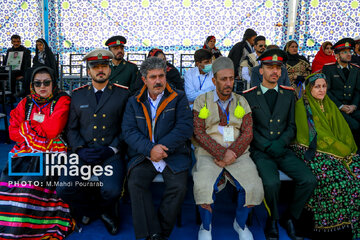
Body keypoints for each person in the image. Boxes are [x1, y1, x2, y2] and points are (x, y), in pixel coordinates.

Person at [243, 49, 317, 240]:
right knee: (271, 183)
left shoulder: (288, 93)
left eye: (278, 67)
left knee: (308, 179)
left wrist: (281, 143)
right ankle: (272, 220)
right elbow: (248, 129)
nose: (274, 71)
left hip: (283, 149)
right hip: (261, 151)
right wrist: (267, 145)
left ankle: (290, 217)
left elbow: (292, 125)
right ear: (261, 71)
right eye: (269, 67)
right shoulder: (249, 96)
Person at [56, 49, 130, 235]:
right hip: (84, 153)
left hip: (109, 154)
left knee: (112, 190)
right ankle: (94, 210)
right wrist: (79, 149)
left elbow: (126, 127)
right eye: (95, 67)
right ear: (88, 71)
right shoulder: (78, 95)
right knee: (64, 188)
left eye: (104, 66)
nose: (100, 70)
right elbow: (71, 129)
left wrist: (112, 149)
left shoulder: (122, 94)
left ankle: (105, 211)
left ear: (110, 69)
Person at [192, 57, 264, 240]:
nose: (228, 83)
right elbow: (198, 132)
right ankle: (205, 227)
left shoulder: (242, 101)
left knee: (253, 186)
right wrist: (222, 153)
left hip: (238, 152)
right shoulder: (202, 101)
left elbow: (248, 132)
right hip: (208, 152)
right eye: (223, 79)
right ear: (214, 80)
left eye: (231, 78)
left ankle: (239, 224)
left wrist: (232, 152)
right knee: (203, 185)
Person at [122, 57, 193, 240]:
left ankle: (160, 233)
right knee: (135, 182)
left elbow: (184, 128)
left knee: (178, 187)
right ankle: (151, 233)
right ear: (144, 79)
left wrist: (161, 149)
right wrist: (150, 149)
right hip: (143, 155)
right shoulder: (134, 101)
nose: (158, 81)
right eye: (153, 77)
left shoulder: (178, 97)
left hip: (173, 154)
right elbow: (128, 131)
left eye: (161, 76)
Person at [0, 66, 73, 239]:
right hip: (25, 152)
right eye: (38, 83)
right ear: (32, 85)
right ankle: (9, 225)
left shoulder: (62, 100)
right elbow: (12, 132)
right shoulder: (26, 102)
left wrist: (28, 125)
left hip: (53, 154)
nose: (42, 86)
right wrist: (41, 126)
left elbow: (54, 130)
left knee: (28, 184)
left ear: (53, 84)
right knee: (6, 181)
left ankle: (23, 229)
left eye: (47, 82)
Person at [292, 73, 360, 239]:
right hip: (310, 150)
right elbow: (315, 135)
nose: (321, 90)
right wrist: (339, 149)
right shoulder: (303, 106)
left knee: (356, 174)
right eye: (317, 86)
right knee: (337, 179)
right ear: (310, 89)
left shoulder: (328, 104)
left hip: (334, 149)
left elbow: (341, 130)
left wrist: (345, 148)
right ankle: (334, 228)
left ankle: (351, 225)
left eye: (323, 86)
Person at [322, 38, 360, 147]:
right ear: (337, 55)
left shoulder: (355, 69)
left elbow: (358, 91)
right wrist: (340, 106)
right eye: (345, 52)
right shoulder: (329, 69)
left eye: (350, 52)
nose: (349, 54)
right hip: (336, 107)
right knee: (354, 125)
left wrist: (354, 106)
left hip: (352, 107)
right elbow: (326, 91)